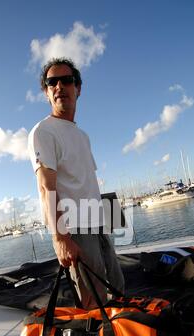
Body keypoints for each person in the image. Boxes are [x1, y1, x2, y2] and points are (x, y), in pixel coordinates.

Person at [28, 57, 124, 308]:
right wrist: (60, 238)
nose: (59, 86)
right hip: (75, 229)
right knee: (94, 301)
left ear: (78, 88)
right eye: (52, 82)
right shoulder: (43, 131)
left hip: (98, 223)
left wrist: (110, 221)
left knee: (117, 287)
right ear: (46, 92)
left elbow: (87, 182)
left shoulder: (82, 135)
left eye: (66, 80)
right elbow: (46, 186)